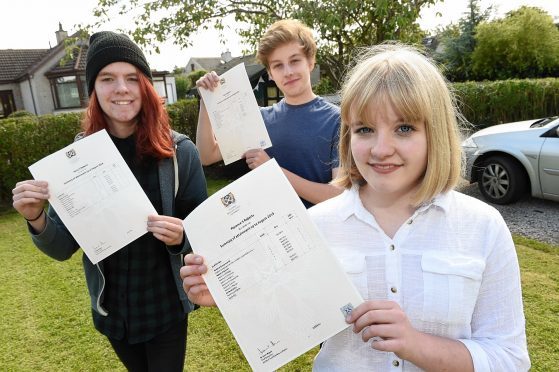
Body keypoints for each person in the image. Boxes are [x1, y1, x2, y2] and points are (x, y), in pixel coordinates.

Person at [180, 44, 531, 371]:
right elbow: (285, 318)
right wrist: (232, 294)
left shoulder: (483, 226)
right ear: (348, 136)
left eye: (404, 128)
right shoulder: (315, 224)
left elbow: (510, 357)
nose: (380, 149)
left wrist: (415, 344)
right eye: (364, 129)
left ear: (435, 133)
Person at [12, 31, 207, 371]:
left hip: (164, 310)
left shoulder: (179, 153)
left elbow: (204, 234)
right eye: (107, 79)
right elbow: (62, 247)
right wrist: (36, 218)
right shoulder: (75, 160)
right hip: (113, 313)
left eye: (132, 78)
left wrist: (181, 238)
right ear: (93, 90)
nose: (121, 88)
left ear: (145, 86)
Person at [195, 19, 342, 208]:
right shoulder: (259, 119)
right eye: (278, 65)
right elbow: (207, 155)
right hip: (271, 233)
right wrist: (207, 101)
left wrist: (272, 170)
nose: (288, 72)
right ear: (270, 73)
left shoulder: (337, 120)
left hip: (322, 232)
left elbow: (338, 196)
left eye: (295, 61)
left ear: (311, 62)